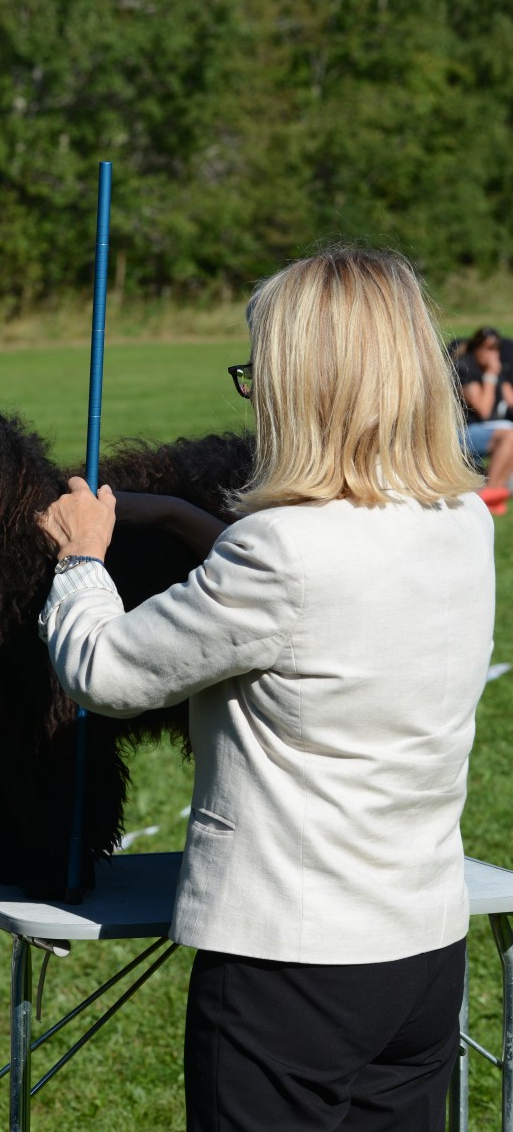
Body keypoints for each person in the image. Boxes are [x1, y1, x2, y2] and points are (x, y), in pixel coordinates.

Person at [37, 245, 495, 1132]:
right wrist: (185, 520)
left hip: (290, 973)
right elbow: (332, 604)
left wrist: (81, 556)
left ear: (305, 389)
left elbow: (105, 672)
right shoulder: (461, 521)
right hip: (423, 953)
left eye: (259, 375)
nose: (254, 398)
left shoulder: (280, 550)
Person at [454, 326, 513, 514]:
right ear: (477, 348)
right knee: (509, 436)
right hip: (460, 433)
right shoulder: (465, 367)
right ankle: (489, 494)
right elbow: (484, 410)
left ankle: (496, 494)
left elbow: (509, 398)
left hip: (483, 430)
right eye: (488, 348)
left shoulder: (495, 368)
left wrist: (496, 375)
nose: (493, 354)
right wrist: (490, 376)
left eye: (496, 349)